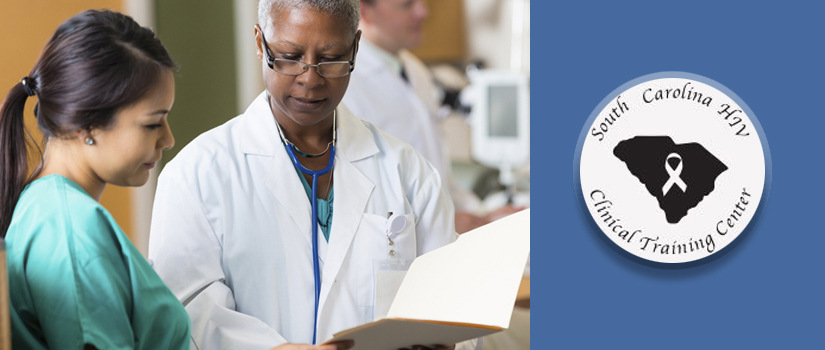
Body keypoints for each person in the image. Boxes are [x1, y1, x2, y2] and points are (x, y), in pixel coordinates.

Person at [148, 0, 477, 349]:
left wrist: (447, 342)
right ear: (260, 44)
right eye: (289, 56)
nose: (310, 77)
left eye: (331, 58)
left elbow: (454, 312)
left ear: (355, 47)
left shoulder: (409, 173)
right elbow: (184, 310)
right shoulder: (197, 174)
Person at [0, 9, 190, 349]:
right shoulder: (71, 228)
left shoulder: (45, 206)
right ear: (86, 125)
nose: (168, 139)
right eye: (152, 123)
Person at [343, 0, 516, 233]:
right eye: (407, 5)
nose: (423, 12)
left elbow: (437, 170)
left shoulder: (416, 70)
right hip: (400, 244)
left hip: (443, 234)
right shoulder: (347, 85)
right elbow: (357, 194)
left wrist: (486, 215)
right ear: (365, 11)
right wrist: (441, 223)